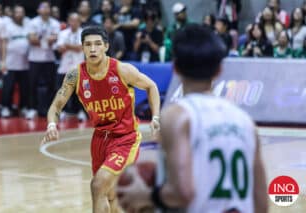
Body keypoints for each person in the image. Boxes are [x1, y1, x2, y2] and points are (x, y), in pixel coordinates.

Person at [117, 24, 268, 213]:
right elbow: (261, 203)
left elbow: (183, 192)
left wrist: (148, 196)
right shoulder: (246, 122)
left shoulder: (178, 116)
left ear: (175, 68)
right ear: (219, 70)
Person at [41, 25, 161, 213]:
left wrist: (155, 117)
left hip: (125, 138)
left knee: (98, 185)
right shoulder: (75, 75)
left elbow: (151, 86)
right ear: (82, 48)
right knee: (109, 195)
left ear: (106, 46)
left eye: (97, 44)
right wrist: (51, 125)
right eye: (88, 45)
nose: (93, 49)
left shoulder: (122, 70)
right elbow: (56, 105)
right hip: (99, 139)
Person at [27, 1, 60, 119]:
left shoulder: (55, 23)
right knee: (32, 85)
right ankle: (32, 109)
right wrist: (47, 39)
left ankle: (50, 109)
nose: (45, 9)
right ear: (38, 10)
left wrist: (40, 39)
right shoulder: (33, 22)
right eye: (43, 7)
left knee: (51, 85)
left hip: (49, 59)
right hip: (35, 59)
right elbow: (31, 39)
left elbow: (56, 38)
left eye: (47, 7)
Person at [1, 5, 29, 118]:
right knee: (8, 87)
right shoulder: (8, 26)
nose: (19, 14)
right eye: (17, 12)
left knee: (24, 88)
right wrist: (2, 61)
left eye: (21, 12)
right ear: (13, 14)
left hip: (25, 64)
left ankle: (22, 108)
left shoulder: (28, 25)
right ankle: (5, 108)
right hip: (10, 63)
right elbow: (3, 44)